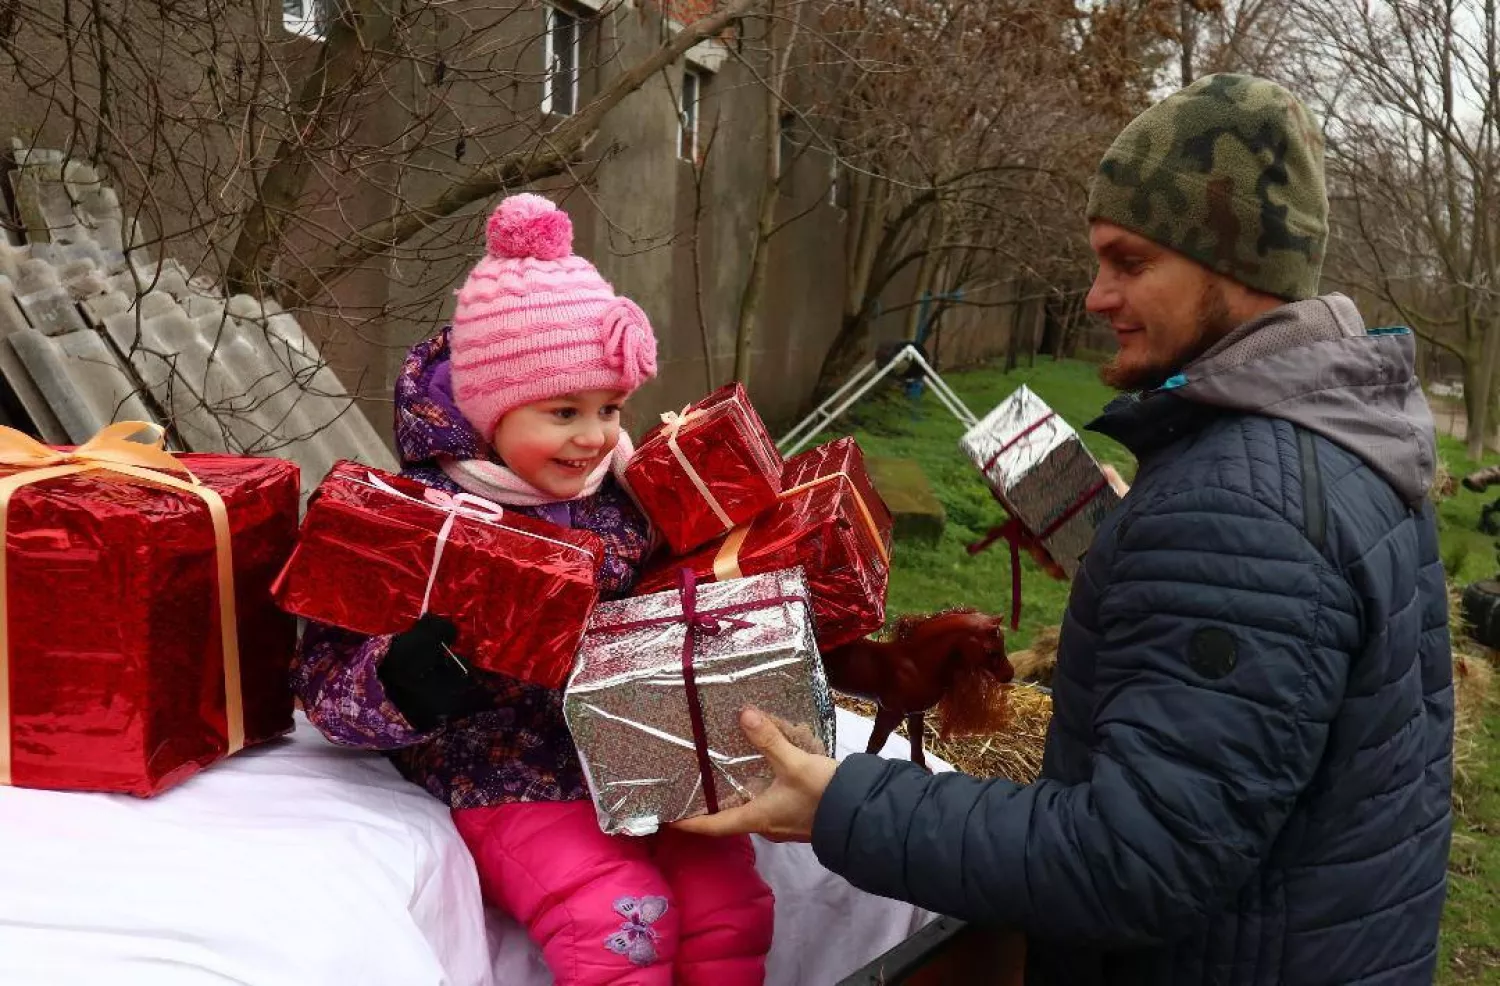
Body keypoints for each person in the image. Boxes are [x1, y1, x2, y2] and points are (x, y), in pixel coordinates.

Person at [678, 73, 1453, 985]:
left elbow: (1134, 863)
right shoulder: (1337, 436)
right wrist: (1130, 547)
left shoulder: (1238, 507)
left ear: (1230, 263)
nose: (1095, 295)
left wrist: (843, 804)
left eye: (1129, 262)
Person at [293, 194, 774, 986]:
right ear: (490, 410)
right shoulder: (420, 522)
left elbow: (682, 595)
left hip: (642, 753)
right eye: (562, 411)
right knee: (622, 918)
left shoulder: (632, 497)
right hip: (504, 769)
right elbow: (324, 684)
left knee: (730, 904)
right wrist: (400, 678)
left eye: (609, 408)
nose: (593, 436)